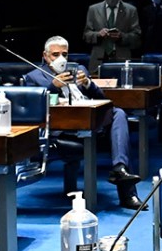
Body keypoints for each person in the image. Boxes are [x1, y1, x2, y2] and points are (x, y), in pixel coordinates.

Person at [24, 35, 146, 210]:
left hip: (92, 122)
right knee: (118, 123)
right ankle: (127, 191)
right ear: (45, 55)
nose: (61, 59)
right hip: (64, 130)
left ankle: (120, 171)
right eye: (55, 55)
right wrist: (53, 87)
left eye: (64, 54)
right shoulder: (34, 76)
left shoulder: (79, 69)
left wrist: (88, 83)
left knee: (118, 113)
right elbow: (33, 107)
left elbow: (102, 99)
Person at [83, 0, 142, 73]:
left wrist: (121, 36)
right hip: (98, 61)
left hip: (122, 60)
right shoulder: (93, 9)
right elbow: (86, 35)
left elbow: (137, 38)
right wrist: (98, 34)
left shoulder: (131, 10)